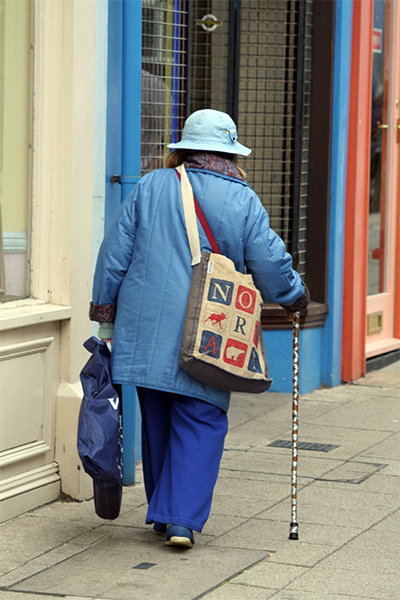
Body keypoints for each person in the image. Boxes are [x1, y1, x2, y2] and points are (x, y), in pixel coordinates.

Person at [90, 109, 310, 549]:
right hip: (211, 326)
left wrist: (105, 314)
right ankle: (180, 520)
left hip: (145, 327)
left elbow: (114, 252)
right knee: (202, 417)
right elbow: (268, 260)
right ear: (230, 152)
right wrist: (294, 297)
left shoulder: (151, 185)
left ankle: (163, 511)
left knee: (157, 417)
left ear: (185, 149)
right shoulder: (242, 198)